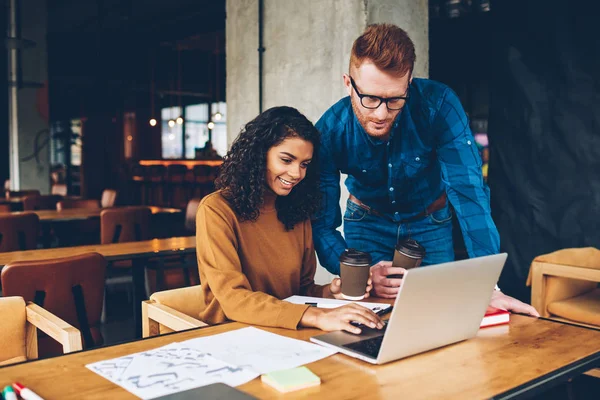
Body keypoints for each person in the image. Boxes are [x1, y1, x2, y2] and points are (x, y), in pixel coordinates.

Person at [312, 24, 538, 316]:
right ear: (348, 83)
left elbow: (469, 192)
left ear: (409, 84)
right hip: (367, 223)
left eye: (394, 100)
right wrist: (362, 272)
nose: (381, 114)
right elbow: (321, 222)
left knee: (435, 318)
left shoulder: (440, 106)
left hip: (430, 224)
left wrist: (487, 287)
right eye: (369, 98)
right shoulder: (331, 130)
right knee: (366, 322)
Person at [195, 106, 384, 334]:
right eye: (286, 160)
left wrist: (330, 293)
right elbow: (233, 299)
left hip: (286, 332)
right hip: (231, 333)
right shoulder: (217, 210)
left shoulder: (296, 211)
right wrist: (317, 316)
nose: (297, 173)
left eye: (304, 164)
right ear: (258, 155)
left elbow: (301, 291)